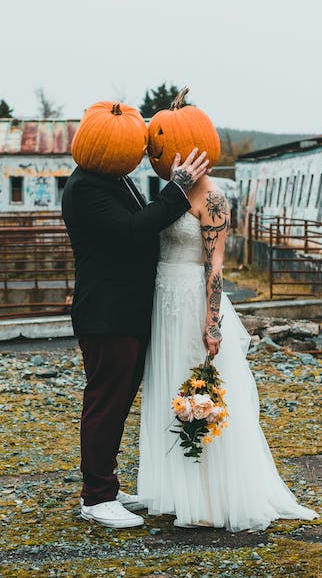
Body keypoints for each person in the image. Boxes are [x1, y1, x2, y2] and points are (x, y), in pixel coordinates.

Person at [137, 170, 320, 531]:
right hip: (163, 299)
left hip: (191, 299)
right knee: (168, 388)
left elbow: (214, 265)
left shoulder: (214, 198)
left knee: (199, 391)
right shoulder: (170, 189)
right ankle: (178, 491)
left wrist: (212, 320)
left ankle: (211, 497)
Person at [61, 149, 210, 529]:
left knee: (118, 404)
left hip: (126, 313)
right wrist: (176, 190)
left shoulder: (110, 178)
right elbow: (132, 230)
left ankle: (106, 485)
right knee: (105, 403)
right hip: (107, 315)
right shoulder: (85, 188)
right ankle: (96, 498)